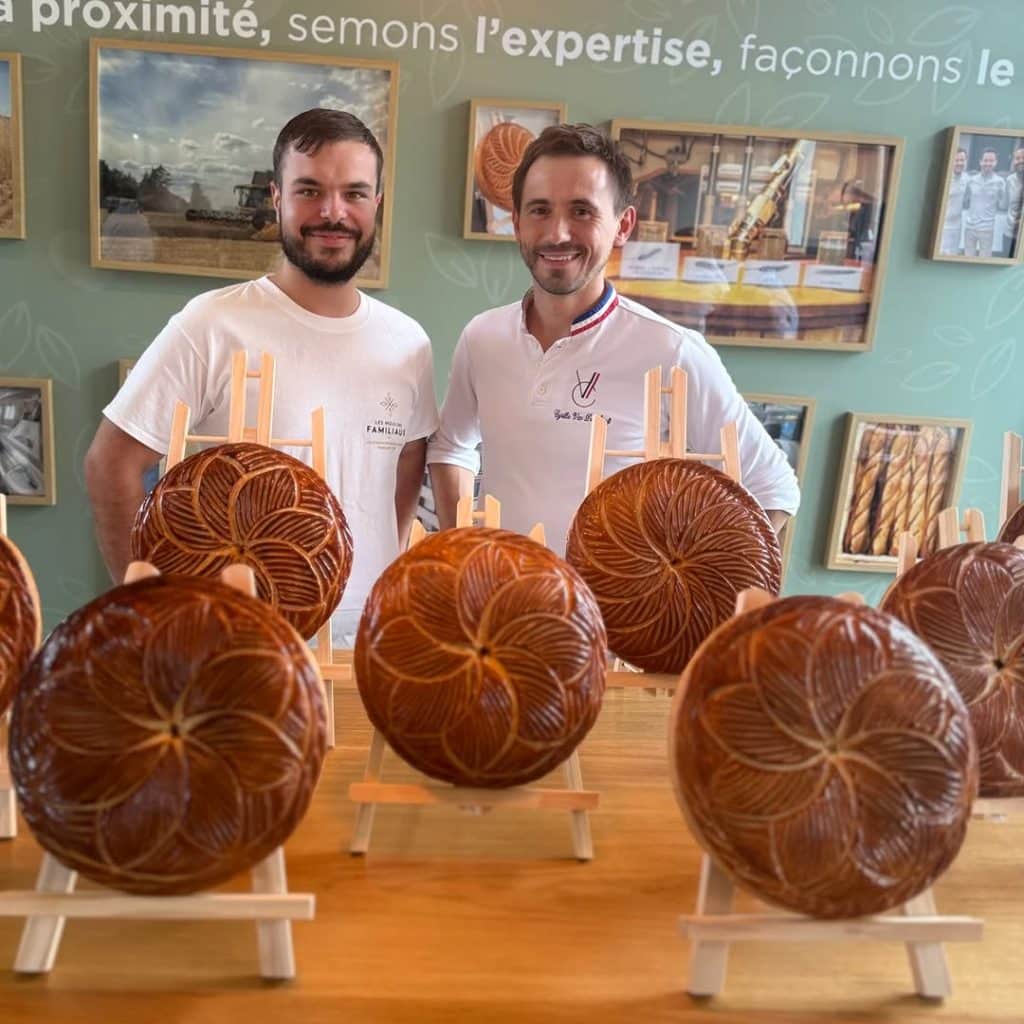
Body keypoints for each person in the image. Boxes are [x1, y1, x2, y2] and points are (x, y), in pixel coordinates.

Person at [85, 108, 438, 642]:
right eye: (309, 190)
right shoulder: (212, 324)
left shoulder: (408, 342)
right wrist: (154, 614)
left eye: (354, 193)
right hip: (235, 645)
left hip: (368, 642)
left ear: (378, 203)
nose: (333, 212)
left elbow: (407, 462)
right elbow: (110, 463)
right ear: (276, 198)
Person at [427, 124, 799, 556]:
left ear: (623, 225)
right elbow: (451, 447)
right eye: (540, 210)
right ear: (517, 222)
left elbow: (773, 489)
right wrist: (462, 551)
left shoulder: (672, 351)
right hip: (502, 595)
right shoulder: (482, 337)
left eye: (582, 211)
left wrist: (687, 579)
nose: (557, 233)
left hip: (612, 604)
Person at [963, 147, 1008, 258]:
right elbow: (965, 201)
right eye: (985, 160)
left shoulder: (1000, 182)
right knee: (967, 258)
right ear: (980, 161)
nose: (988, 163)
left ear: (996, 162)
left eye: (991, 161)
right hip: (970, 227)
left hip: (987, 229)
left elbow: (1003, 205)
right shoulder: (971, 180)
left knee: (984, 259)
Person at [939, 148, 969, 256]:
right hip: (942, 225)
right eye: (957, 160)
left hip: (956, 226)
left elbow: (966, 200)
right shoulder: (944, 178)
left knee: (953, 254)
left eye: (962, 160)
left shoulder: (967, 179)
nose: (959, 163)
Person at [1004, 145, 1024, 256]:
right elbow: (1005, 204)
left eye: (1023, 158)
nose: (1020, 161)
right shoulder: (1009, 180)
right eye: (1017, 158)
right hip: (1009, 234)